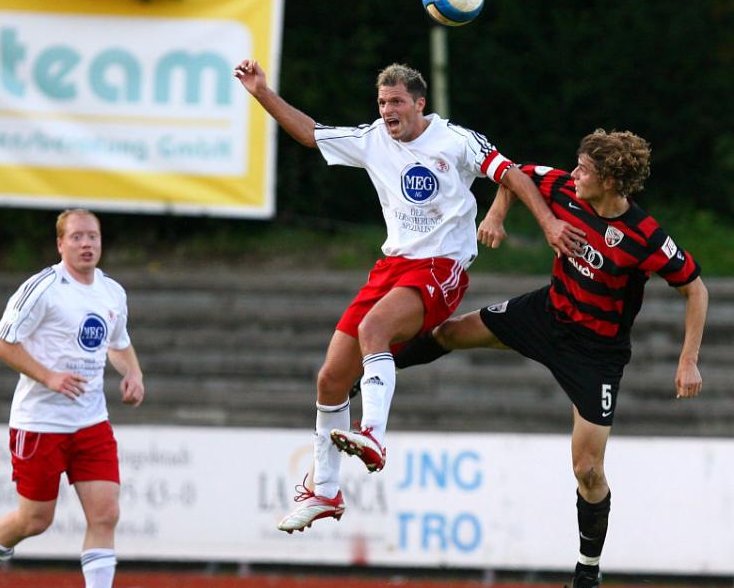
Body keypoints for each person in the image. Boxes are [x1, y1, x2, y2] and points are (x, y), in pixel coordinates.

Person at [234, 58, 584, 533]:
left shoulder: (456, 141)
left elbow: (513, 175)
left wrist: (541, 223)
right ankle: (325, 492)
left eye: (396, 101)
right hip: (393, 266)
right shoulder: (372, 138)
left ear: (420, 103)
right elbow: (311, 133)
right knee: (330, 379)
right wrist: (261, 92)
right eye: (382, 102)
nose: (387, 110)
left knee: (373, 329)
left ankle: (373, 435)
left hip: (443, 266)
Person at [393, 129, 708, 588]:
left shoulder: (645, 236)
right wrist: (495, 214)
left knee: (587, 470)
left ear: (607, 180)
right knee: (452, 334)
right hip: (547, 314)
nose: (574, 174)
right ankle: (368, 371)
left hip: (596, 355)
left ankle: (586, 574)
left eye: (584, 169)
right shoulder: (563, 188)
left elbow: (695, 289)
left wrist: (688, 359)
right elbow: (515, 175)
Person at [0, 208, 145, 588]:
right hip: (40, 422)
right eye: (76, 236)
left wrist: (133, 373)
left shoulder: (112, 292)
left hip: (91, 421)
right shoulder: (43, 288)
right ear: (60, 244)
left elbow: (120, 344)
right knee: (35, 519)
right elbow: (1, 343)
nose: (86, 243)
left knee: (106, 512)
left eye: (92, 236)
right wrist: (50, 376)